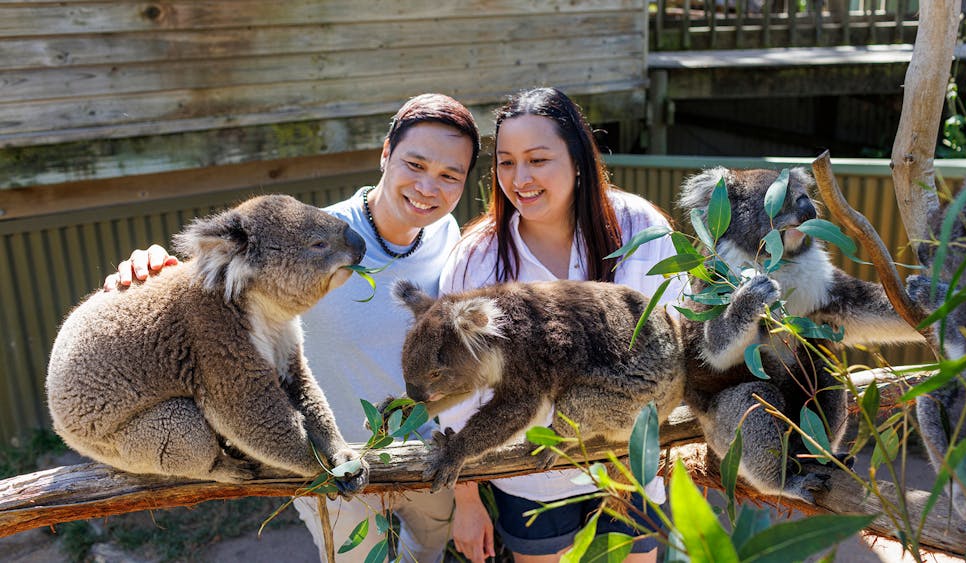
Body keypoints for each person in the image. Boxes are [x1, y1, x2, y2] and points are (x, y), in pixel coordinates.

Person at [104, 93, 481, 563]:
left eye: (451, 176)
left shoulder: (452, 239)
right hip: (328, 457)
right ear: (386, 153)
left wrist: (467, 492)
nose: (429, 187)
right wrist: (149, 268)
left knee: (427, 550)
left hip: (419, 449)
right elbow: (213, 275)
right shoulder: (304, 243)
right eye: (416, 163)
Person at [438, 87, 683, 563]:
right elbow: (455, 393)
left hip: (632, 459)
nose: (520, 178)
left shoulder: (641, 231)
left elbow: (679, 344)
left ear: (577, 159)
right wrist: (466, 499)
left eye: (538, 159)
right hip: (530, 471)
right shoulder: (478, 260)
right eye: (506, 162)